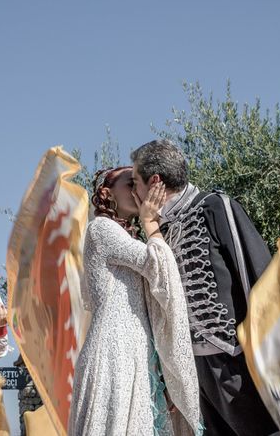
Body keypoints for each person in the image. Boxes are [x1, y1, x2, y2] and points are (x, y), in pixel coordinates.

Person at [131, 140, 279, 435]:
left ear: (155, 182)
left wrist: (267, 350)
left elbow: (255, 270)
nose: (135, 191)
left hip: (234, 359)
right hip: (192, 369)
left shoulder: (214, 206)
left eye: (136, 182)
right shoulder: (161, 230)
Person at [69, 166, 201, 436]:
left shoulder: (129, 237)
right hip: (114, 352)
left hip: (136, 351)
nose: (137, 191)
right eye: (129, 184)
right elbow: (158, 265)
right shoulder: (102, 228)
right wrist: (151, 223)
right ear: (106, 192)